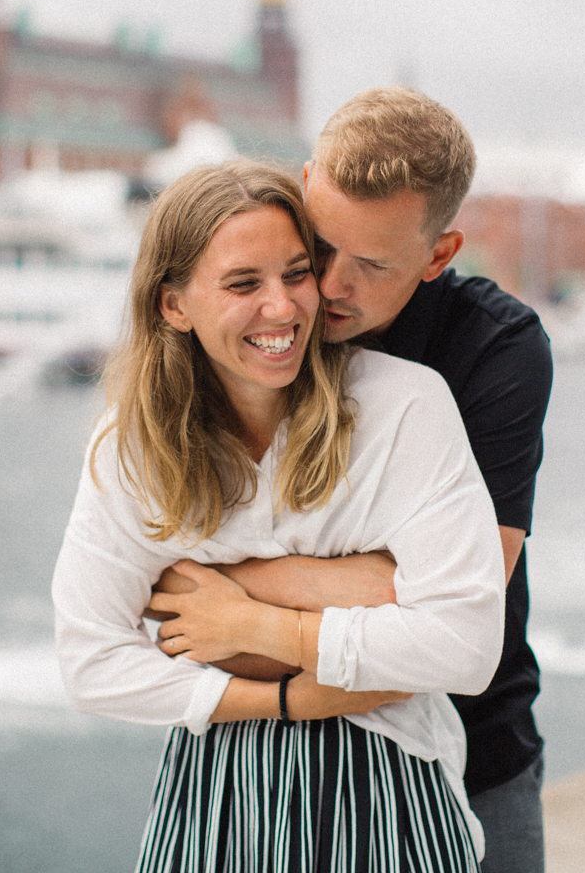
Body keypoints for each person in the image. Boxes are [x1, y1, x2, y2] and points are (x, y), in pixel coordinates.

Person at [52, 160, 506, 872]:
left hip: (393, 785)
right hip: (213, 793)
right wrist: (292, 695)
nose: (284, 307)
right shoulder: (131, 446)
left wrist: (246, 622)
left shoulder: (404, 406)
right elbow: (91, 662)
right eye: (243, 284)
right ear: (174, 304)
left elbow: (467, 645)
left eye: (297, 273)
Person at [152, 89, 554, 872]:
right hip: (263, 756)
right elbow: (161, 576)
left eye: (371, 265)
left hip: (476, 744)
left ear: (439, 255)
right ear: (305, 187)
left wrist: (245, 592)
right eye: (321, 245)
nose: (326, 287)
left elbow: (465, 593)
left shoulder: (496, 350)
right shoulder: (258, 320)